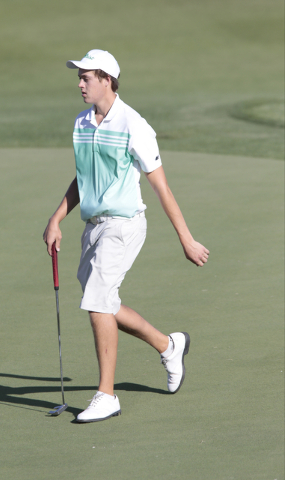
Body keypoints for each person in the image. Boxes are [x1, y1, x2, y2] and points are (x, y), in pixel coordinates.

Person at [43, 49, 209, 423]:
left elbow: (161, 188)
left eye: (87, 77)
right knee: (105, 302)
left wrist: (186, 239)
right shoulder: (82, 123)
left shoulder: (134, 125)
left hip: (124, 225)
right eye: (79, 77)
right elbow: (83, 180)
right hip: (93, 228)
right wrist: (56, 219)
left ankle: (107, 395)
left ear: (107, 79)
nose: (80, 83)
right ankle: (168, 345)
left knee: (98, 301)